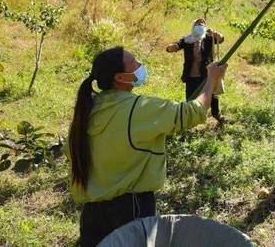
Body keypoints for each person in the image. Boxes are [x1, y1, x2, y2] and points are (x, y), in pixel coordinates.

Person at [67, 46, 227, 246]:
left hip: (91, 215)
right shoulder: (138, 109)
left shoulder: (87, 112)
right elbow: (190, 113)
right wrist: (211, 78)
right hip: (131, 212)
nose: (140, 65)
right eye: (133, 63)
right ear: (120, 78)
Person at [165, 18, 225, 124]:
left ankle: (217, 115)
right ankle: (189, 120)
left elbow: (221, 39)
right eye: (198, 23)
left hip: (206, 74)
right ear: (193, 26)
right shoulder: (187, 40)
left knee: (212, 96)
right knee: (191, 98)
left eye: (203, 24)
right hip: (191, 75)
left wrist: (215, 33)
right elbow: (175, 46)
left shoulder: (209, 38)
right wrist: (171, 47)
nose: (200, 25)